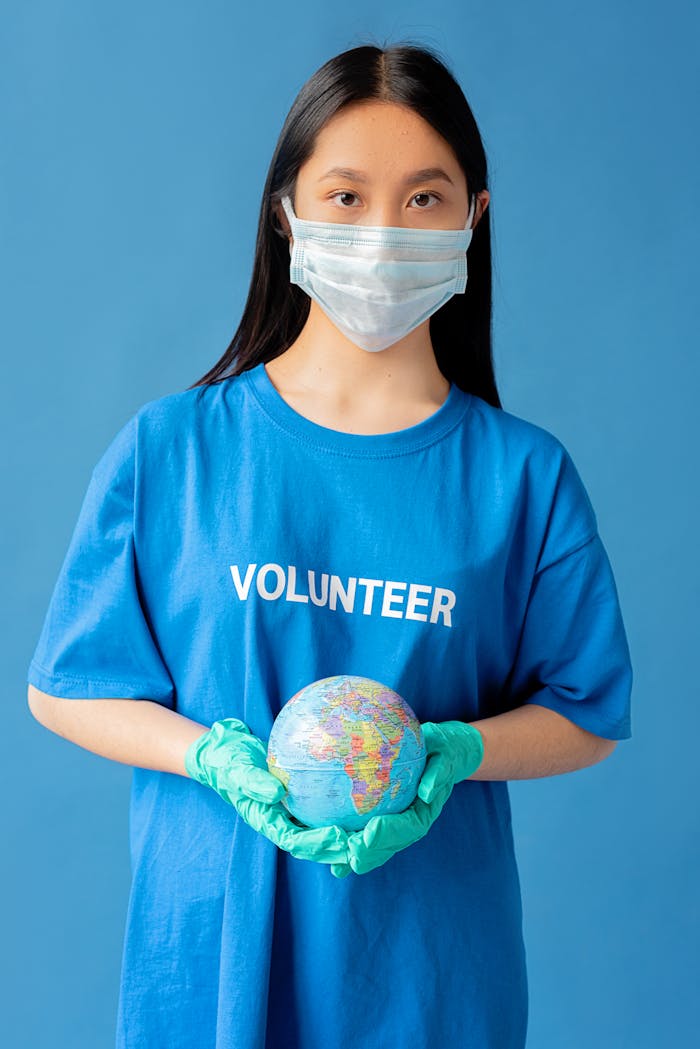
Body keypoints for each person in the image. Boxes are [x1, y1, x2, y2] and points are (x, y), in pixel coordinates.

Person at [26, 40, 633, 1049]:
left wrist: (456, 749)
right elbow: (65, 683)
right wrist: (213, 756)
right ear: (285, 212)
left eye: (425, 199)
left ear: (474, 217)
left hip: (428, 970)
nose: (384, 231)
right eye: (346, 197)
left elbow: (587, 711)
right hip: (209, 956)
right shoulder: (174, 448)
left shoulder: (521, 477)